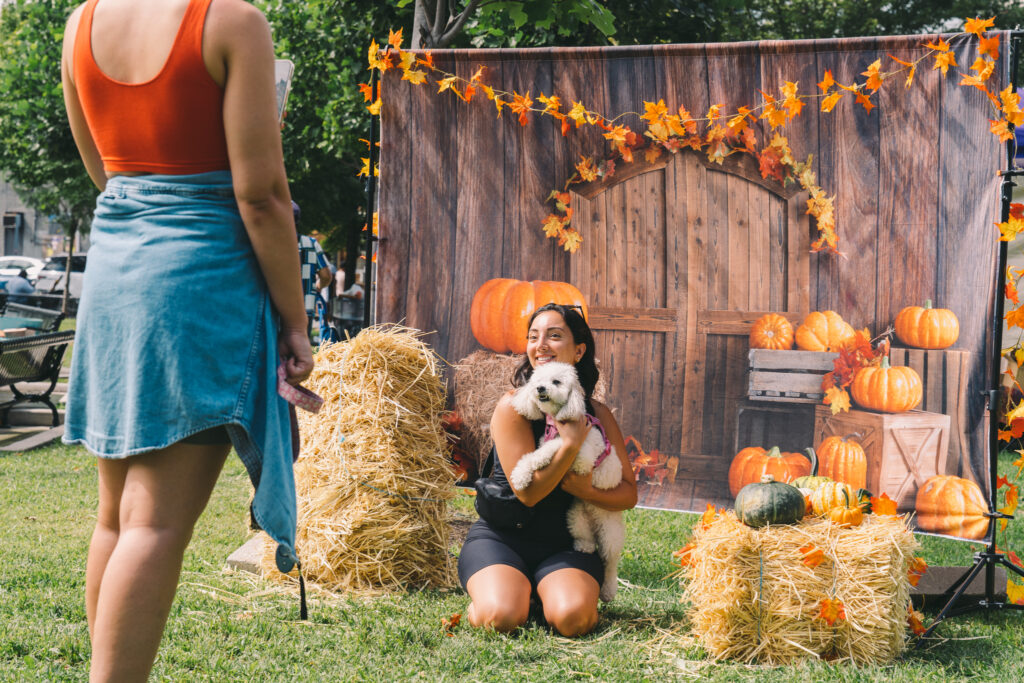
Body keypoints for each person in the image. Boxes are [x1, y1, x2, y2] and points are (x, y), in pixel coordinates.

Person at [59, 0, 313, 680]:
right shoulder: (233, 23)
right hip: (197, 283)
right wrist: (294, 320)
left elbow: (105, 171)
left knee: (117, 518)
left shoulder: (81, 23)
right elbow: (260, 194)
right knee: (156, 522)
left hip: (117, 274)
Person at [458, 303, 637, 637]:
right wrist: (570, 445)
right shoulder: (514, 408)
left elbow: (628, 494)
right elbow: (528, 494)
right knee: (502, 617)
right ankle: (505, 595)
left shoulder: (597, 413)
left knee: (574, 620)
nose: (540, 345)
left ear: (579, 350)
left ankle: (543, 593)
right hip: (504, 538)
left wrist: (588, 492)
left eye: (554, 336)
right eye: (533, 336)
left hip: (566, 545)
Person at [293, 201, 332, 334]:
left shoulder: (272, 242)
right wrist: (318, 288)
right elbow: (326, 276)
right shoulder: (311, 243)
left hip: (276, 309)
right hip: (305, 308)